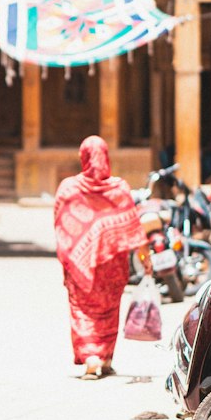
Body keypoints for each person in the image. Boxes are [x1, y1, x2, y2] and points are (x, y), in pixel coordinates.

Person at [53, 135, 146, 379]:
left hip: (80, 266)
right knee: (108, 311)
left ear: (83, 157)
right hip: (112, 266)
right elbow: (133, 227)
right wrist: (146, 258)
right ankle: (104, 358)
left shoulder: (68, 188)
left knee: (83, 311)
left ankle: (92, 358)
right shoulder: (120, 188)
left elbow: (62, 226)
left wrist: (71, 256)